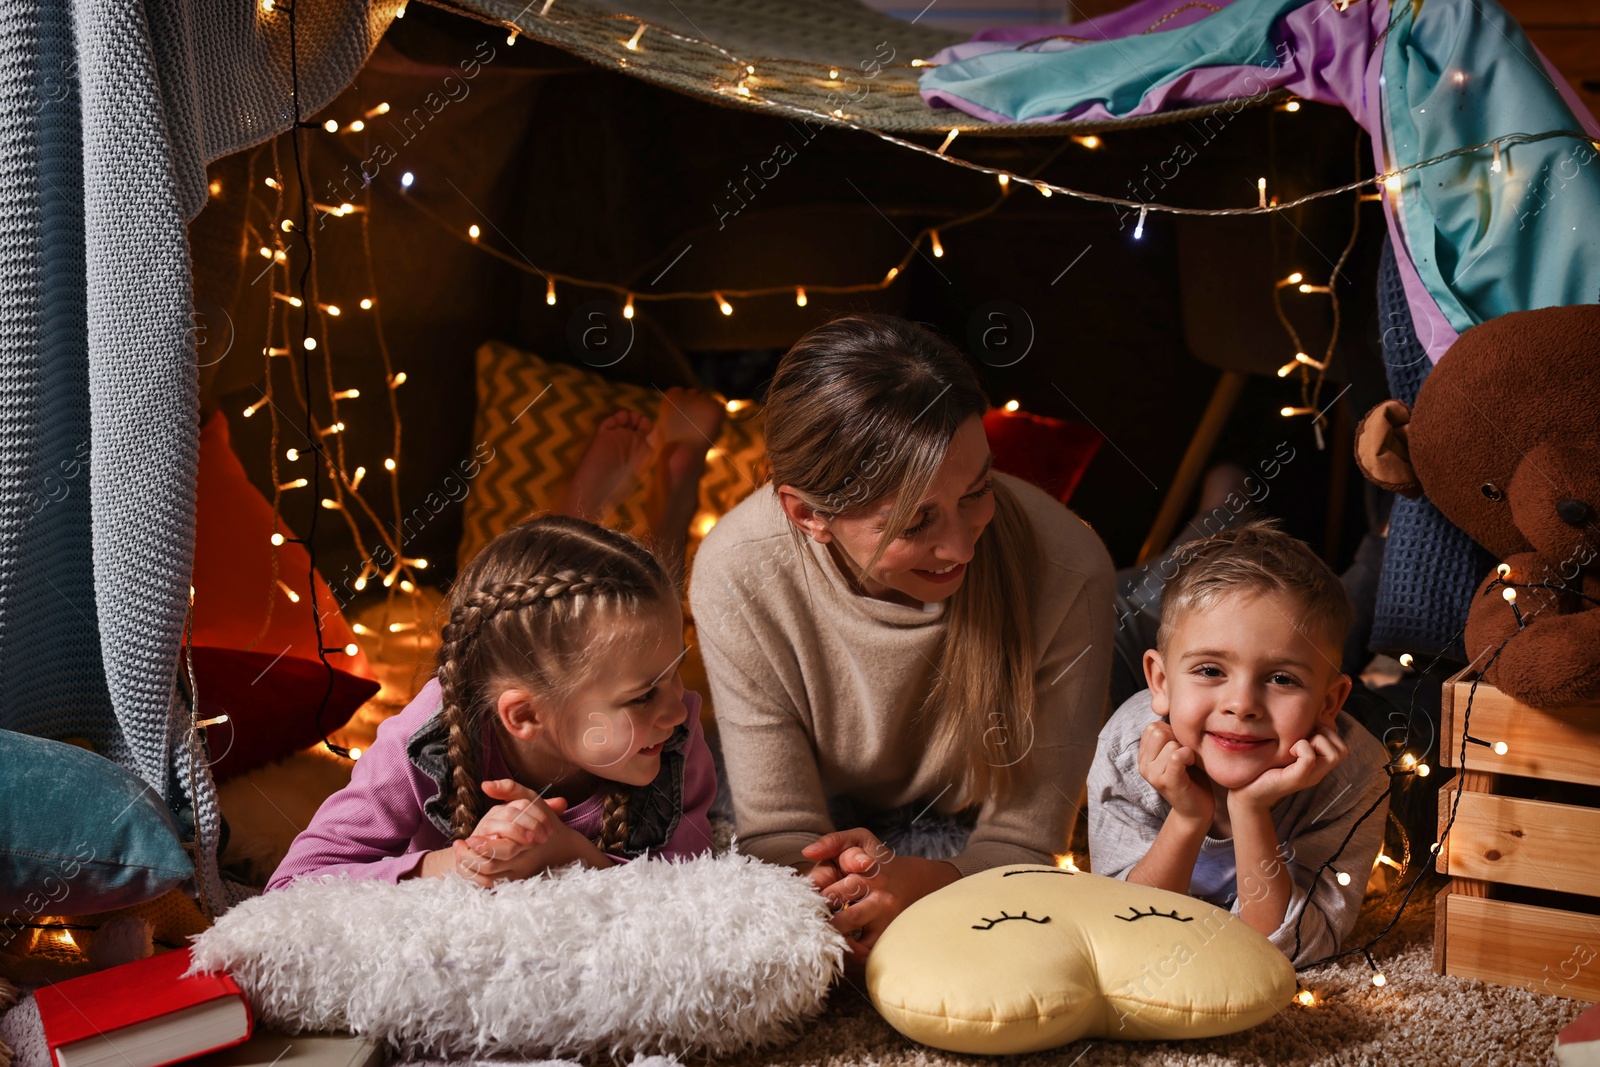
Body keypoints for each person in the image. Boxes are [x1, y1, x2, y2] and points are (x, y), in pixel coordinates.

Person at [689, 314, 1116, 964]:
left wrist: (929, 883)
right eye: (916, 521)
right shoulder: (736, 571)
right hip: (875, 792)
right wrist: (839, 893)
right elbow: (781, 837)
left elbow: (1025, 849)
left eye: (978, 492)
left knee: (1211, 606)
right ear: (807, 515)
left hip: (1111, 620)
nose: (959, 545)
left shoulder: (1071, 568)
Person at [268, 515, 717, 889]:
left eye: (675, 671)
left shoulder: (673, 737)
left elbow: (689, 893)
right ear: (524, 715)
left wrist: (571, 856)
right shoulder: (426, 739)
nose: (678, 709)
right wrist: (459, 866)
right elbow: (294, 885)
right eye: (642, 696)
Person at [1087, 519, 1390, 965]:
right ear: (1160, 681)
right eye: (1210, 670)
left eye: (1282, 679)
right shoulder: (1127, 747)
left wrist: (1249, 810)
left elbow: (1289, 948)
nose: (1242, 704)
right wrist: (1189, 817)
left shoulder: (1357, 776)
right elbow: (1123, 920)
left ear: (1329, 702)